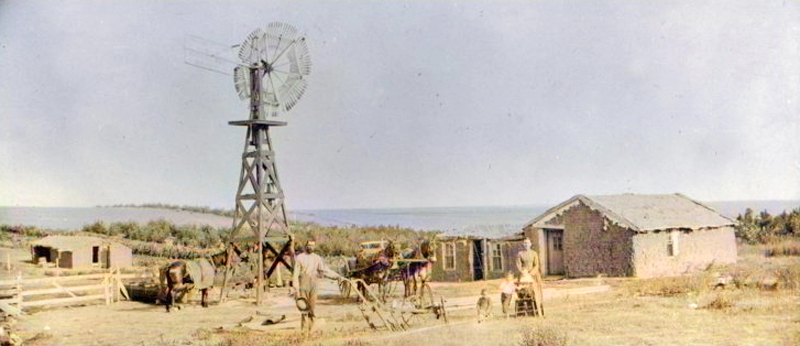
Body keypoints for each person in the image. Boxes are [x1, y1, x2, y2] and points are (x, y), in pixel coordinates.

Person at [291, 240, 343, 335]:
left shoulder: (317, 258)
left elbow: (325, 271)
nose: (311, 247)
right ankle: (304, 331)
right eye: (309, 245)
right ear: (306, 246)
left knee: (312, 307)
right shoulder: (300, 258)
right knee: (304, 308)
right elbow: (295, 274)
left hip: (314, 282)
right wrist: (295, 287)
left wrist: (337, 276)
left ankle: (311, 330)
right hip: (303, 282)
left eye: (313, 246)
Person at [515, 238, 544, 316]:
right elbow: (518, 265)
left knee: (534, 292)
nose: (526, 245)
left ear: (530, 244)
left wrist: (531, 273)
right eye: (525, 243)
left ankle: (537, 311)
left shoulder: (534, 253)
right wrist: (523, 272)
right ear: (523, 244)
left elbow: (536, 265)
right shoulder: (520, 254)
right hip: (523, 275)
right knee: (523, 291)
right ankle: (523, 312)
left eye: (528, 243)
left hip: (533, 275)